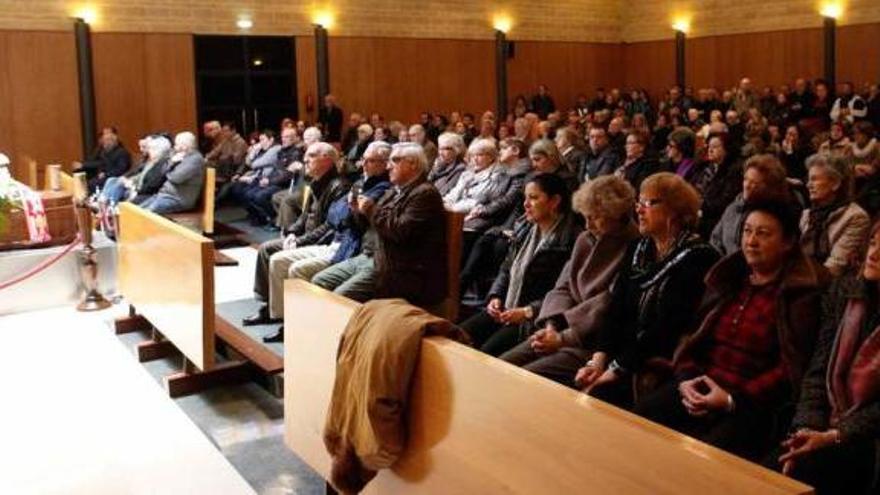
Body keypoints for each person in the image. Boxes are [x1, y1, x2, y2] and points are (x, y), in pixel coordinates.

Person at [635, 197, 829, 460]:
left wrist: (731, 399)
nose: (751, 241)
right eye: (747, 231)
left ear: (788, 242)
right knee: (639, 423)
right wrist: (686, 380)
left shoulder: (799, 295)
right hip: (700, 384)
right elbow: (694, 337)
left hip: (750, 403)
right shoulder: (731, 278)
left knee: (703, 460)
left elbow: (791, 366)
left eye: (763, 233)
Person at [576, 173, 720, 407]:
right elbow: (616, 309)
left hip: (657, 363)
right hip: (619, 355)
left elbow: (668, 327)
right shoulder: (638, 248)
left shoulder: (698, 257)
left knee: (594, 400)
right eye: (638, 203)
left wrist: (615, 369)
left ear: (674, 209)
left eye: (648, 203)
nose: (639, 211)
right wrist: (598, 361)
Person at [500, 176, 639, 383]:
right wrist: (551, 325)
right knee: (502, 364)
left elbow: (606, 304)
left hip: (589, 342)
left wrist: (563, 338)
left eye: (595, 217)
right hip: (560, 328)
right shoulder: (585, 238)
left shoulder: (633, 246)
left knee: (524, 379)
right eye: (585, 217)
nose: (588, 224)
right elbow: (562, 287)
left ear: (616, 215)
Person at [781, 221, 880, 494]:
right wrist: (806, 428)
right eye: (873, 243)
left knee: (813, 471)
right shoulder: (845, 293)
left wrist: (835, 435)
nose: (873, 254)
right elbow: (818, 369)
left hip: (867, 437)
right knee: (779, 463)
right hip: (827, 421)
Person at [459, 173, 581, 356]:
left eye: (533, 198)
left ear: (554, 201)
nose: (526, 204)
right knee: (457, 335)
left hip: (535, 318)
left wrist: (527, 311)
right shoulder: (525, 228)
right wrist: (496, 296)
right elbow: (507, 268)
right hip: (507, 307)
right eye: (525, 198)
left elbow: (563, 292)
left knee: (485, 353)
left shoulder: (571, 240)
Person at [245, 142, 349, 341]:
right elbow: (304, 216)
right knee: (266, 249)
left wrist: (301, 241)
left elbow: (330, 227)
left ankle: (286, 318)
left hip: (319, 242)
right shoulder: (316, 182)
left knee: (278, 256)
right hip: (306, 237)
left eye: (310, 156)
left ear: (327, 159)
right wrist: (293, 232)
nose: (305, 160)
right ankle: (269, 306)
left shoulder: (339, 186)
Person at [800, 154, 870, 277]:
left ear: (835, 183)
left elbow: (836, 267)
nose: (808, 185)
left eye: (814, 179)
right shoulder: (807, 214)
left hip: (832, 288)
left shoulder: (856, 217)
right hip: (803, 280)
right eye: (808, 179)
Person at [711, 154, 792, 256]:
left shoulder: (775, 215)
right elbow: (715, 239)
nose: (747, 185)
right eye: (746, 179)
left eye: (755, 183)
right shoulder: (733, 208)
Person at [139, 132, 204, 214]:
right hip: (165, 194)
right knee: (138, 210)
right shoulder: (179, 156)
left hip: (178, 199)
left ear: (184, 146)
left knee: (146, 214)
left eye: (176, 145)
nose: (174, 147)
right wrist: (172, 163)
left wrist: (169, 171)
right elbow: (163, 170)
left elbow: (176, 178)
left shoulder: (195, 159)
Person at [73, 126, 132, 193]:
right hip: (103, 174)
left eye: (106, 141)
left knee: (91, 184)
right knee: (82, 177)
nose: (104, 143)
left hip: (113, 178)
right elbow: (98, 162)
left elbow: (121, 169)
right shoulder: (105, 151)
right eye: (104, 140)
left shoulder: (122, 153)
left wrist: (106, 174)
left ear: (113, 141)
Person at [427, 132, 467, 196]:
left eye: (446, 149)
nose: (441, 153)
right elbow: (427, 183)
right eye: (440, 148)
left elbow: (444, 192)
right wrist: (434, 169)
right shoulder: (440, 165)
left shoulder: (460, 169)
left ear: (456, 150)